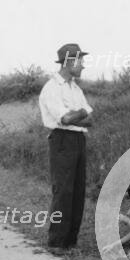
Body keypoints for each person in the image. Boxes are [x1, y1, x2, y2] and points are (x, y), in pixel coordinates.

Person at [39, 43, 94, 249]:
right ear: (70, 62)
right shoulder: (52, 88)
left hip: (79, 139)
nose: (83, 66)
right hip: (62, 140)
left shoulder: (75, 88)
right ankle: (57, 241)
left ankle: (71, 240)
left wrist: (75, 116)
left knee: (78, 190)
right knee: (63, 191)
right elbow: (64, 118)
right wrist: (77, 114)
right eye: (81, 61)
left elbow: (89, 120)